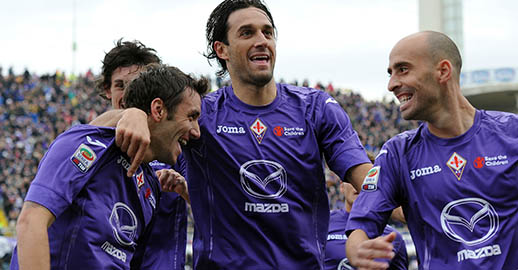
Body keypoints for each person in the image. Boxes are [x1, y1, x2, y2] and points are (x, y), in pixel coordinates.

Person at [92, 0, 373, 268]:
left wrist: (376, 223)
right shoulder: (202, 115)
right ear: (222, 50)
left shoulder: (316, 109)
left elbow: (370, 182)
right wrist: (133, 113)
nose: (261, 40)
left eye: (268, 32)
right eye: (247, 33)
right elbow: (100, 131)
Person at [345, 31, 518, 270]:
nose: (392, 85)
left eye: (403, 69)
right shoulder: (397, 154)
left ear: (443, 71)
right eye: (390, 73)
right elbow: (360, 229)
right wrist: (359, 249)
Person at [11, 64, 206, 269]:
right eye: (191, 117)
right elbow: (31, 221)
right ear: (158, 110)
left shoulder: (150, 185)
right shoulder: (90, 144)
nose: (196, 131)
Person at [95, 39, 190, 270]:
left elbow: (210, 203)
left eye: (136, 84)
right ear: (107, 90)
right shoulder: (93, 142)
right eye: (120, 85)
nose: (128, 94)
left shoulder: (175, 144)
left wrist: (184, 189)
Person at [325, 154, 407, 270]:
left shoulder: (393, 238)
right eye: (351, 180)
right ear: (342, 187)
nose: (359, 185)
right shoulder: (322, 224)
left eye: (368, 179)